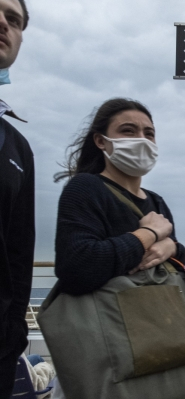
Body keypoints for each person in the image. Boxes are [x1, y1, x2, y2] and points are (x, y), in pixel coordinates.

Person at [53, 98, 185, 296]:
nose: (141, 139)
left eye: (149, 133)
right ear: (101, 141)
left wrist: (174, 248)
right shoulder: (86, 186)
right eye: (128, 130)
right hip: (108, 321)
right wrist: (149, 233)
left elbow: (181, 266)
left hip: (157, 316)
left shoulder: (156, 201)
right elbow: (77, 268)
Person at [0, 1, 32, 398]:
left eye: (13, 19)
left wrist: (13, 339)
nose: (3, 23)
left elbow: (20, 253)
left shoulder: (16, 146)